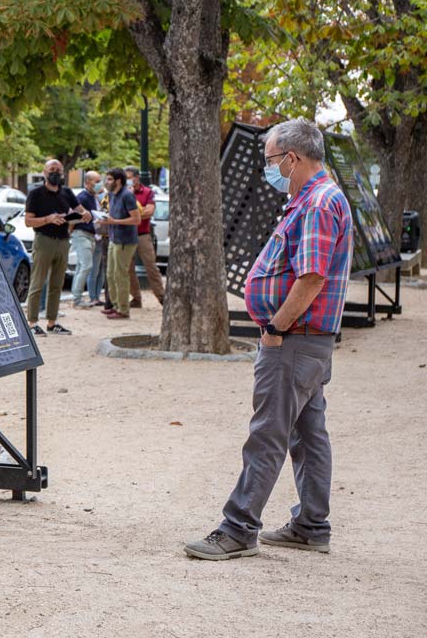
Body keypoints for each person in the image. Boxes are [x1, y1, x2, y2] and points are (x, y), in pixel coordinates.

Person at [185, 119, 353, 561]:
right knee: (308, 433)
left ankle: (239, 528)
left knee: (267, 434)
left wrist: (276, 326)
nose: (269, 168)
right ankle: (311, 524)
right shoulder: (316, 199)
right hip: (308, 342)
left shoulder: (316, 203)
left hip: (294, 340)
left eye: (271, 160)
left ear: (292, 158)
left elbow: (311, 276)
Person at [22, 159, 90, 335]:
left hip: (63, 241)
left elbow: (81, 210)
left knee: (57, 283)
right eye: (52, 169)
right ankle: (32, 323)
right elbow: (28, 221)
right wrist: (48, 219)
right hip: (44, 240)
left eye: (58, 170)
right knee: (37, 282)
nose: (55, 173)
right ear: (44, 172)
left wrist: (85, 214)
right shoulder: (36, 194)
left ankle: (52, 323)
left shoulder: (67, 192)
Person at [100, 168, 139, 319]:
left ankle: (123, 309)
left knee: (120, 274)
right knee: (110, 274)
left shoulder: (127, 195)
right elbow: (113, 214)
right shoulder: (111, 195)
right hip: (113, 238)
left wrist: (114, 221)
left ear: (118, 181)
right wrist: (105, 219)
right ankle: (115, 305)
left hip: (125, 240)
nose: (106, 182)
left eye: (109, 179)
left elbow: (136, 219)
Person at [125, 166, 165, 308]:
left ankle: (162, 297)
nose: (128, 180)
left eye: (130, 177)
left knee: (151, 266)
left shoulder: (148, 192)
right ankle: (136, 298)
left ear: (136, 178)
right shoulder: (122, 193)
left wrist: (130, 214)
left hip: (143, 234)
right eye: (126, 178)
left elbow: (149, 211)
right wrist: (136, 212)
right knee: (128, 268)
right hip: (126, 235)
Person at [71, 171, 101, 308]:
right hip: (81, 233)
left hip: (90, 235)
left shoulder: (94, 197)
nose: (99, 183)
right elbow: (71, 216)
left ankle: (76, 297)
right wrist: (70, 232)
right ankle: (77, 300)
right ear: (88, 182)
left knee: (81, 266)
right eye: (96, 181)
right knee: (86, 266)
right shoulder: (82, 197)